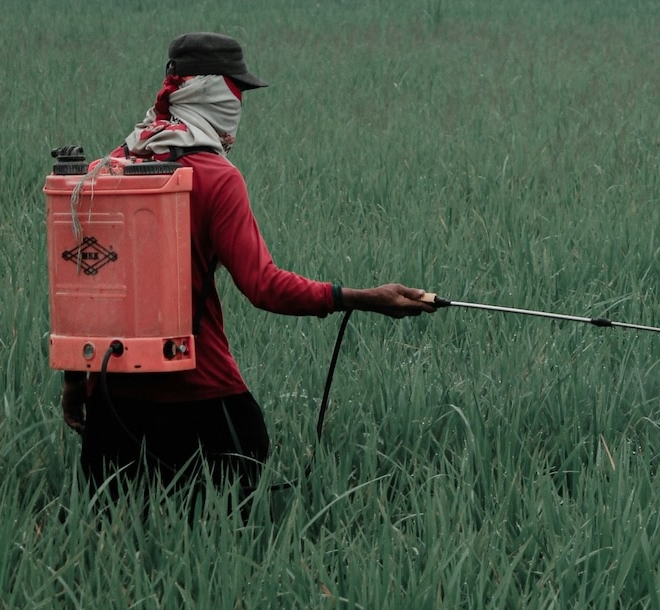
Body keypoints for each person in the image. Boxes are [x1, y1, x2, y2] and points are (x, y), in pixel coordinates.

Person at [60, 31, 435, 499]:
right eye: (237, 90)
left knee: (116, 530)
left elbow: (81, 287)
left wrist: (76, 382)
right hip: (200, 393)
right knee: (227, 526)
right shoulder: (217, 177)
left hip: (112, 398)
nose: (239, 104)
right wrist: (364, 298)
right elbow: (264, 287)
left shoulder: (109, 166)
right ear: (215, 91)